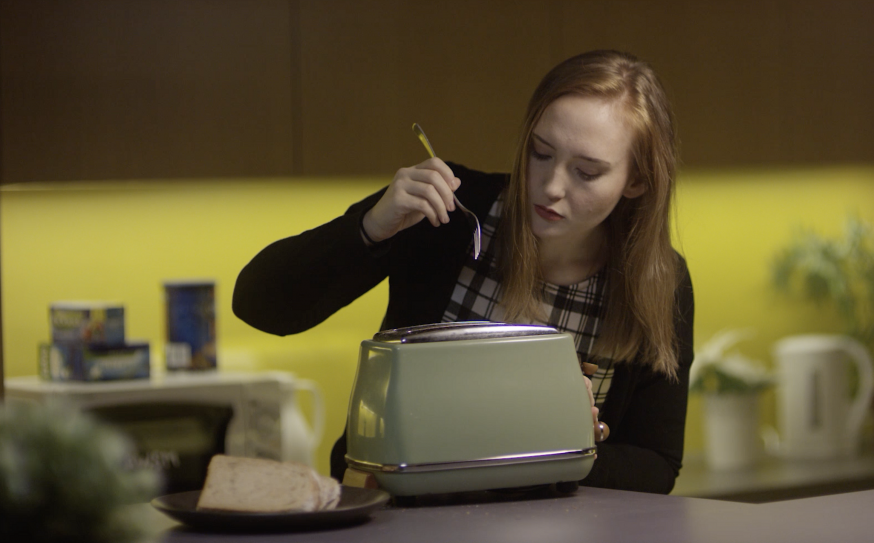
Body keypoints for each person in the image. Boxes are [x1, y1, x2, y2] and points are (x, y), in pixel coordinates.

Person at [232, 50, 695, 494]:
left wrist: (575, 450)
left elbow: (655, 464)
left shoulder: (659, 281)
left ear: (636, 180)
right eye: (540, 152)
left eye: (587, 173)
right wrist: (371, 227)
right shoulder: (446, 214)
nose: (551, 186)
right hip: (394, 519)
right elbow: (260, 305)